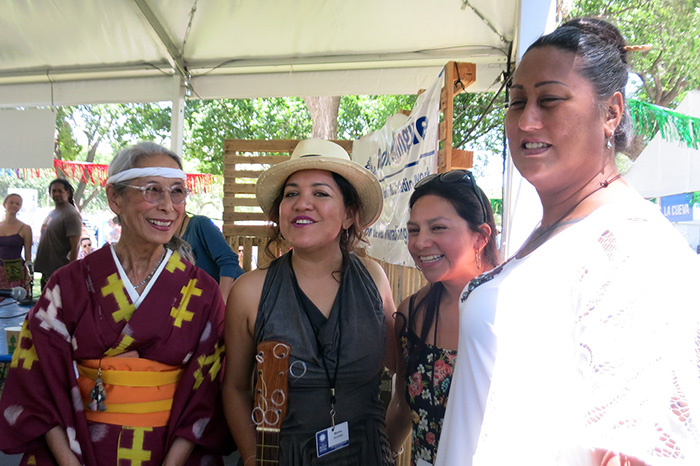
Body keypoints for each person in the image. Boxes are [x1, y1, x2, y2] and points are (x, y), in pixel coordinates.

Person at [436, 18, 700, 466]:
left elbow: (637, 449)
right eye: (517, 102)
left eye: (550, 100)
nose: (527, 120)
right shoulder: (555, 231)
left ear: (611, 113)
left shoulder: (630, 248)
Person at [0, 141, 230, 465]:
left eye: (177, 192)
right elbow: (37, 380)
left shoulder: (201, 290)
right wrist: (68, 461)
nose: (168, 206)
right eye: (152, 190)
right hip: (77, 448)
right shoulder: (69, 284)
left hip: (170, 452)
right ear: (115, 198)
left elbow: (207, 392)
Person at [223, 139, 397, 465]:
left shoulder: (372, 278)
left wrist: (388, 448)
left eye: (320, 193)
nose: (303, 203)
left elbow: (403, 373)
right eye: (291, 194)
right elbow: (235, 389)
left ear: (349, 215)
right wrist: (251, 457)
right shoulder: (250, 291)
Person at [385, 170, 499, 466]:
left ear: (481, 236)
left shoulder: (513, 310)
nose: (421, 242)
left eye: (437, 228)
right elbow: (401, 406)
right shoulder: (411, 313)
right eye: (413, 230)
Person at [177, 213, 244, 303]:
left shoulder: (200, 224)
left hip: (238, 296)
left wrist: (221, 303)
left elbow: (228, 260)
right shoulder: (168, 239)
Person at [34, 179, 82, 289]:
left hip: (60, 273)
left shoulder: (71, 214)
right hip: (47, 272)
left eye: (60, 191)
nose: (56, 194)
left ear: (68, 193)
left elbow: (75, 246)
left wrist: (70, 271)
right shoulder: (53, 213)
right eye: (53, 191)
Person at [0, 193, 33, 293]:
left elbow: (28, 255)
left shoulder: (25, 228)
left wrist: (28, 278)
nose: (14, 205)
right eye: (11, 202)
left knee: (13, 303)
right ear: (4, 204)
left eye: (17, 204)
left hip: (15, 271)